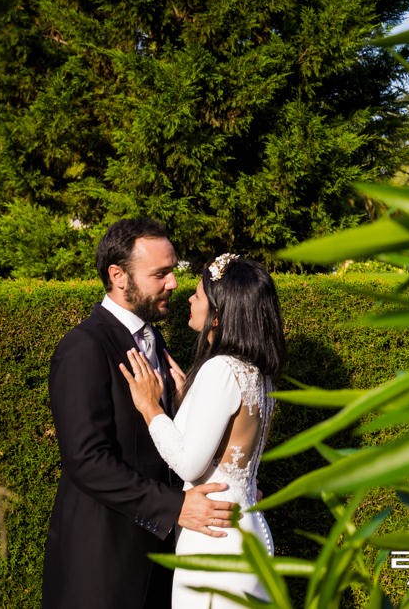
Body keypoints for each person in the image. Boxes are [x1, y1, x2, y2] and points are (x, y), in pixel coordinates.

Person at [43, 218, 235, 609]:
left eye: (173, 271)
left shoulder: (153, 338)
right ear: (118, 276)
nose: (174, 284)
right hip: (102, 565)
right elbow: (87, 461)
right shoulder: (84, 348)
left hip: (157, 562)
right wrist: (176, 507)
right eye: (160, 274)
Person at [120, 251, 286, 608]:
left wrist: (151, 409)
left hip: (214, 539)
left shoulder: (221, 370)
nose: (190, 299)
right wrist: (186, 401)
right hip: (248, 533)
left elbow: (190, 465)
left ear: (219, 315)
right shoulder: (258, 374)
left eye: (198, 294)